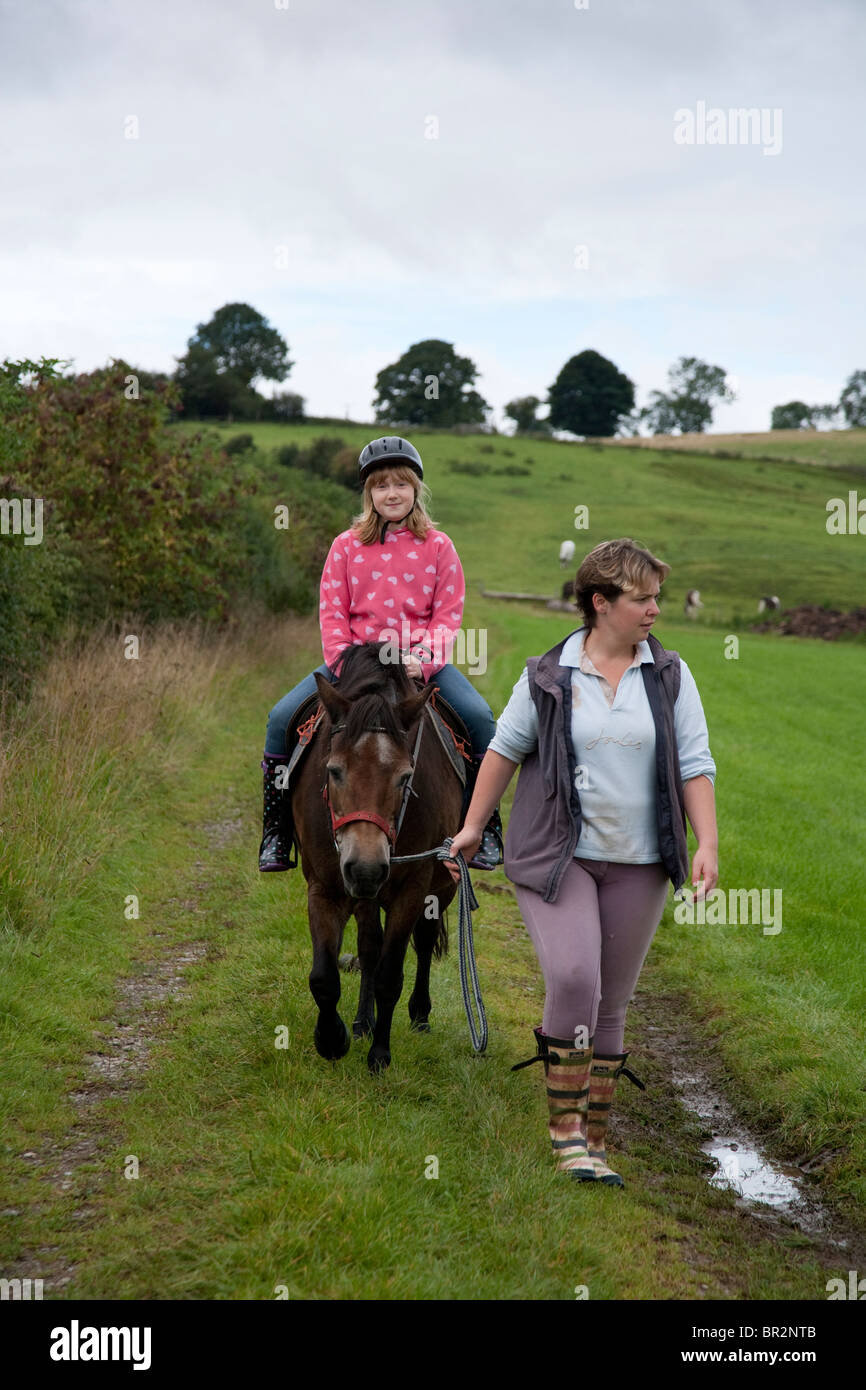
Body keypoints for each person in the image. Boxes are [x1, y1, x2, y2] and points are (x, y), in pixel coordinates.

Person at [447, 538, 718, 1187]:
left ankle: (596, 1134)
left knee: (613, 1000)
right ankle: (565, 1132)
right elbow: (505, 750)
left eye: (656, 596)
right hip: (556, 856)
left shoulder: (670, 676)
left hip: (642, 861)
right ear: (601, 602)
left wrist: (706, 842)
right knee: (575, 978)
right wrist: (472, 827)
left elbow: (694, 764)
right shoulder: (548, 675)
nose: (655, 608)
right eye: (642, 598)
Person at [259, 435, 504, 873]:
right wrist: (341, 664)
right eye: (381, 486)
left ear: (416, 490)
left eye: (401, 485)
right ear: (369, 493)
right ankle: (276, 832)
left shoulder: (439, 546)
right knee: (281, 718)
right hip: (355, 663)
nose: (392, 494)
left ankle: (485, 829)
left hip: (416, 662)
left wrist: (424, 660)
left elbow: (448, 614)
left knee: (481, 719)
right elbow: (332, 614)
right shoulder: (346, 546)